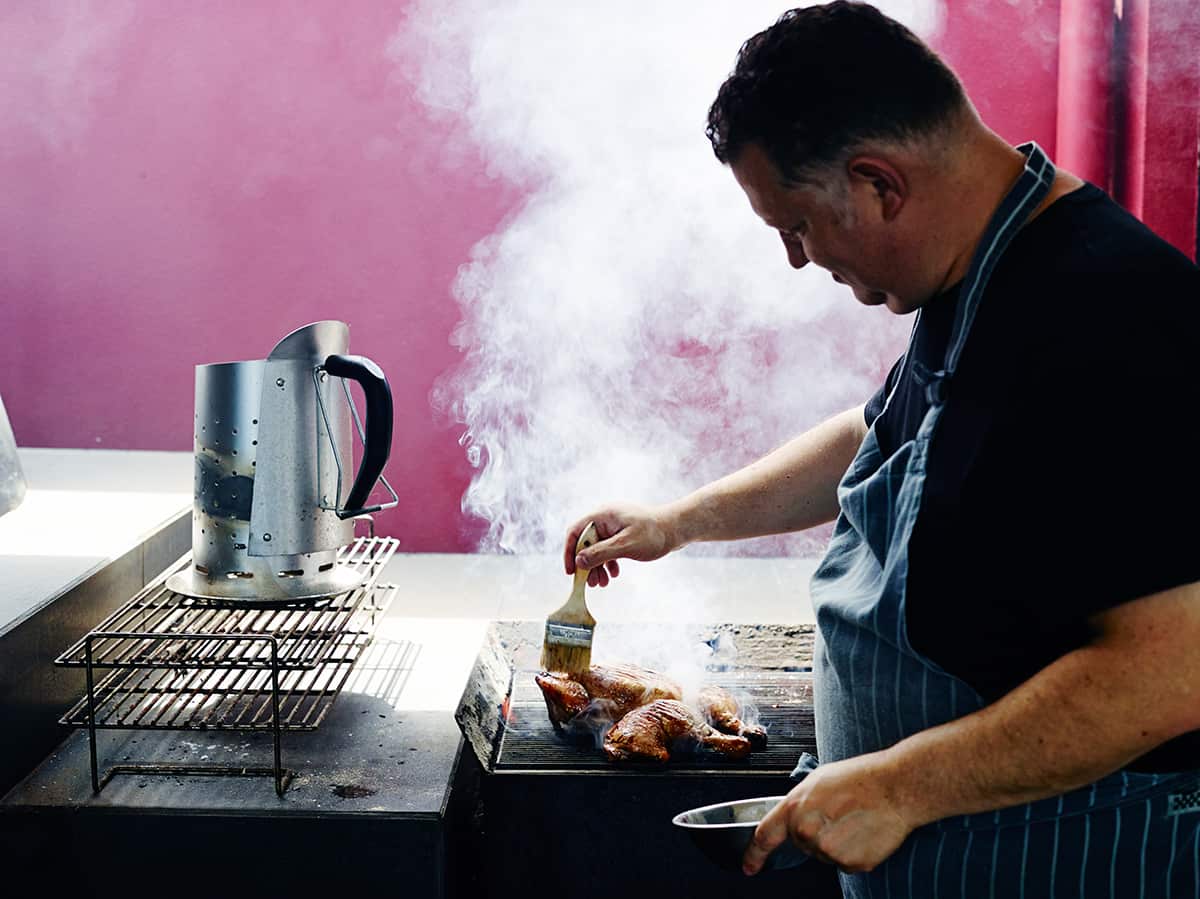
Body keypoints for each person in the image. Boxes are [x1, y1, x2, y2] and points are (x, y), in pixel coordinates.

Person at [561, 2, 1200, 896]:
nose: (795, 258)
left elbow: (1174, 666)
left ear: (878, 184)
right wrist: (681, 520)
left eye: (797, 225)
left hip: (1067, 858)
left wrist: (903, 784)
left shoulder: (1109, 318)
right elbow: (883, 435)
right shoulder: (985, 270)